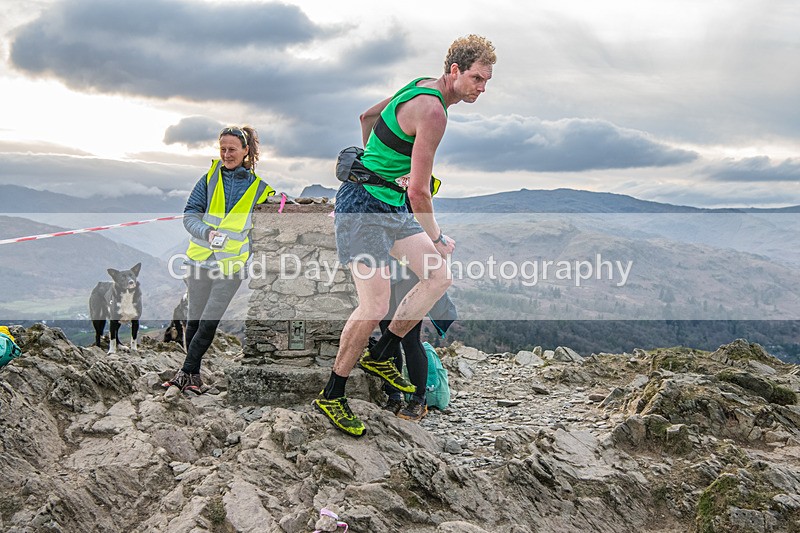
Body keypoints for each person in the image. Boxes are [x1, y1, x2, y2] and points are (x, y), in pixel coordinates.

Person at [315, 35, 496, 436]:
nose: (483, 88)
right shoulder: (434, 112)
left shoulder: (418, 85)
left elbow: (366, 117)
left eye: (486, 81)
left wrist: (376, 168)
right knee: (374, 304)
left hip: (387, 203)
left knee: (438, 276)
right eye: (478, 78)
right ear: (455, 71)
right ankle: (333, 394)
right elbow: (418, 190)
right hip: (362, 209)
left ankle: (381, 352)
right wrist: (436, 237)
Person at [163, 125, 274, 393]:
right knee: (195, 320)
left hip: (231, 266)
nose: (226, 154)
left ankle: (185, 373)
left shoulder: (260, 189)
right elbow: (190, 215)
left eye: (232, 149)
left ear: (246, 151)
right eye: (222, 149)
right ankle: (194, 375)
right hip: (199, 261)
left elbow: (276, 215)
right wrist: (206, 232)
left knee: (209, 321)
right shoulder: (208, 179)